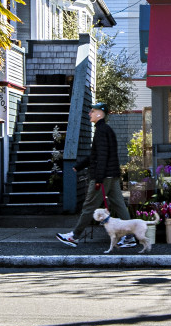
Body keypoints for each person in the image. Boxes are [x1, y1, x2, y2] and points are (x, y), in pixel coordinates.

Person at [56, 102, 132, 247]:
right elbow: (96, 155)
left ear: (99, 114)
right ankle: (129, 237)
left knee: (89, 206)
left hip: (103, 177)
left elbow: (101, 157)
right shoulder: (105, 129)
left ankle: (74, 236)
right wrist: (78, 166)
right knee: (120, 206)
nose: (89, 113)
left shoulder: (101, 131)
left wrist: (98, 179)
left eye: (92, 111)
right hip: (111, 175)